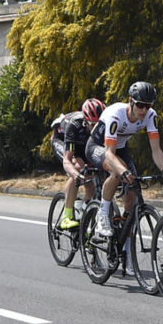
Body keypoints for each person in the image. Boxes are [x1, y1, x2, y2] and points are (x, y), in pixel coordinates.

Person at [86, 81, 163, 239]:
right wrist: (122, 170)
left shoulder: (151, 116)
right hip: (98, 147)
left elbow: (156, 149)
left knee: (132, 193)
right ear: (130, 101)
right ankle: (103, 214)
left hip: (120, 148)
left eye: (148, 105)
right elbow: (110, 154)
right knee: (118, 172)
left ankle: (125, 236)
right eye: (140, 105)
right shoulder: (115, 115)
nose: (144, 110)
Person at [52, 98, 106, 229]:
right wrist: (76, 175)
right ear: (85, 121)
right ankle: (67, 216)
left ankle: (84, 209)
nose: (95, 129)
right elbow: (67, 159)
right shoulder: (75, 125)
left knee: (91, 183)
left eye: (97, 125)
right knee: (78, 168)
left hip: (84, 145)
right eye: (92, 125)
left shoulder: (104, 125)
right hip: (61, 140)